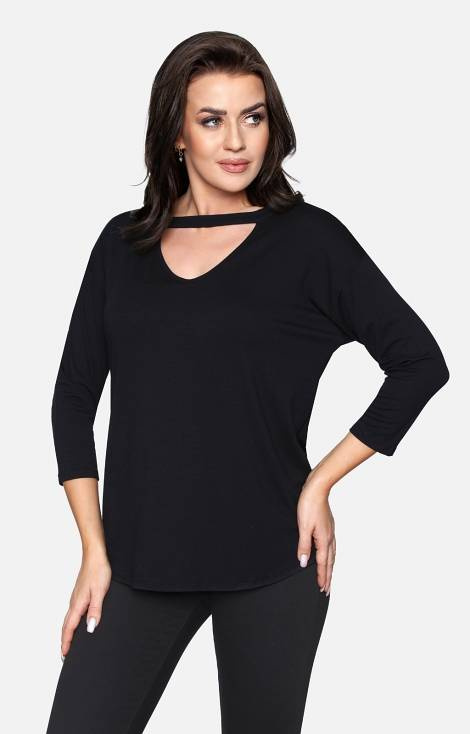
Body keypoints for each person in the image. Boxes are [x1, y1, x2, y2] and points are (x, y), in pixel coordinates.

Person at [45, 31, 450, 734]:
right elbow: (73, 400)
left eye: (253, 117)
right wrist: (93, 549)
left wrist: (319, 482)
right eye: (212, 120)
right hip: (136, 565)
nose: (236, 141)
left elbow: (420, 362)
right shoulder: (122, 245)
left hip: (273, 561)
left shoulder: (310, 241)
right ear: (177, 133)